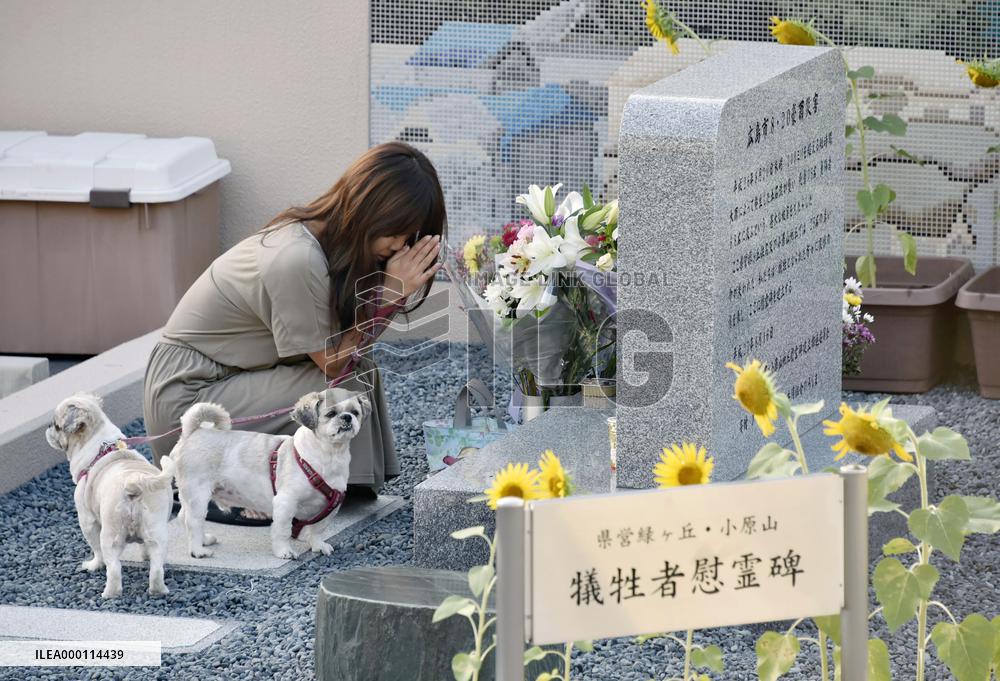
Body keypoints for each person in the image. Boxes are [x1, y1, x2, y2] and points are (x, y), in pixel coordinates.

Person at [142, 142, 445, 522]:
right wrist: (389, 296)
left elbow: (348, 352)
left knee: (358, 371)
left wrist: (386, 297)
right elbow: (334, 364)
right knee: (342, 385)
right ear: (372, 211)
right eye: (398, 232)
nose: (402, 245)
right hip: (190, 401)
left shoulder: (322, 242)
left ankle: (335, 488)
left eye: (411, 236)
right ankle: (229, 492)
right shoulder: (296, 258)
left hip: (226, 378)